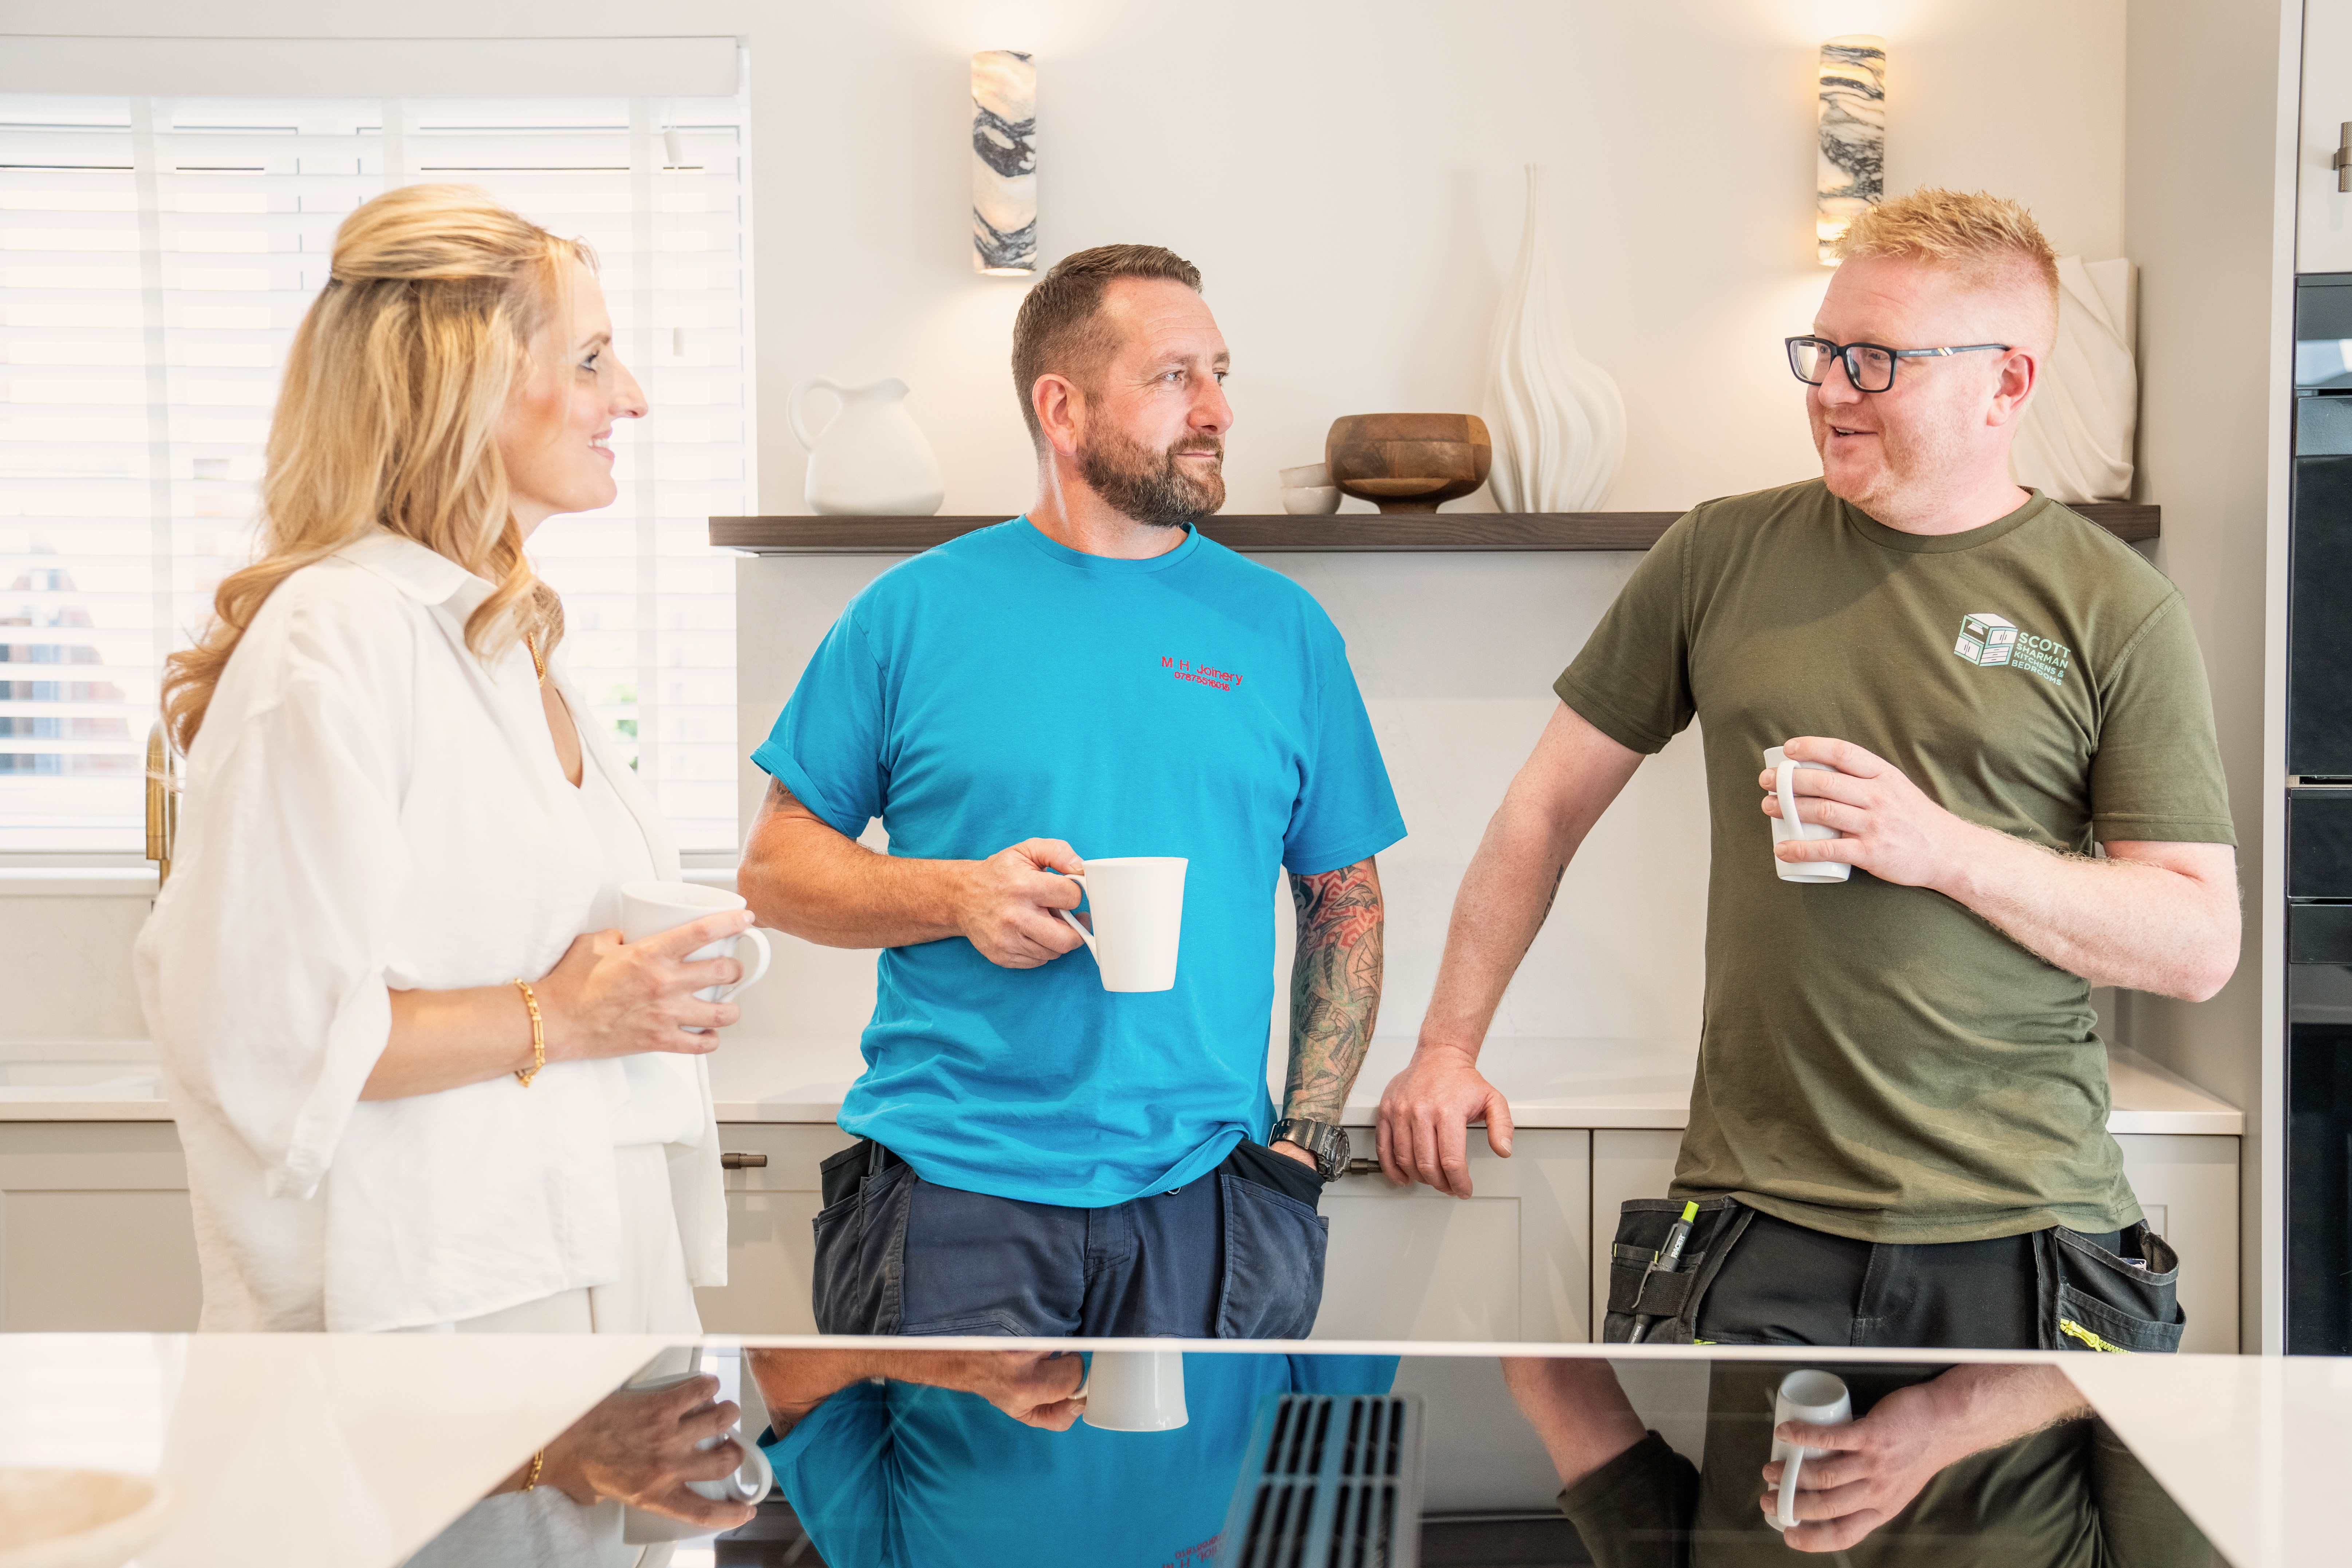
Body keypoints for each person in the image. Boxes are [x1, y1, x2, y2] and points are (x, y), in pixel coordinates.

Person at [1376, 187, 2240, 1353]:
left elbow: (2194, 943)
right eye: (1824, 349)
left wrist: (1938, 849)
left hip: (2023, 1229)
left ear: (2006, 383)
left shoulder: (2115, 607)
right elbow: (1543, 810)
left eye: (1876, 359)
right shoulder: (1717, 553)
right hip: (1753, 1218)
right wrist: (1445, 1048)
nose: (1829, 388)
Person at [739, 244, 1405, 1340]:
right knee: (960, 1515)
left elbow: (1344, 898)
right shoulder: (911, 615)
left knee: (1196, 1520)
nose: (1219, 411)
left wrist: (1302, 1148)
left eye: (1220, 373)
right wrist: (956, 897)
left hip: (1215, 1200)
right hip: (950, 1194)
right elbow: (774, 871)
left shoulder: (1283, 631)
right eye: (1174, 376)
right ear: (1063, 406)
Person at [136, 185, 751, 1333]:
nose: (633, 398)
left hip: (589, 1278)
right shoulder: (336, 636)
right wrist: (566, 1015)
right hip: (434, 1323)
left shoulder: (502, 638)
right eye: (589, 360)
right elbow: (267, 1036)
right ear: (459, 385)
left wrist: (638, 993)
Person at [1503, 1356, 2213, 1565]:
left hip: (1776, 1172)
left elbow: (1551, 1377)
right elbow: (2174, 1384)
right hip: (2005, 1175)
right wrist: (1944, 1422)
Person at [746, 1346, 1398, 1568]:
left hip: (981, 1149)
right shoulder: (1305, 1540)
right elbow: (1355, 1292)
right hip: (1207, 1132)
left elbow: (783, 1359)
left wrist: (953, 1362)